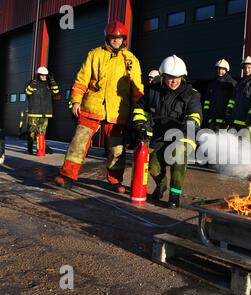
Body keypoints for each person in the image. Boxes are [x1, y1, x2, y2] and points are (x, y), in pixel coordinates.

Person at [54, 20, 144, 193]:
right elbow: (81, 79)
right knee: (78, 142)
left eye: (119, 38)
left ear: (124, 38)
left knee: (116, 148)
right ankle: (67, 176)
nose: (116, 41)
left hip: (118, 110)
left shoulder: (131, 60)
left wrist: (138, 111)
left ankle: (115, 181)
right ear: (107, 38)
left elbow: (137, 89)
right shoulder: (94, 54)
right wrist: (76, 101)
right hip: (92, 106)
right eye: (113, 38)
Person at [132, 55, 202, 208]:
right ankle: (161, 184)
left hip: (183, 136)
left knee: (178, 155)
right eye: (170, 77)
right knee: (152, 166)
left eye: (177, 77)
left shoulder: (192, 94)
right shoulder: (154, 91)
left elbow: (196, 115)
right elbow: (139, 108)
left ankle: (174, 196)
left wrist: (190, 123)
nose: (174, 81)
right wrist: (140, 123)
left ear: (183, 77)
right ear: (163, 76)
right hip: (160, 136)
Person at [25, 66, 60, 155]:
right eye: (42, 75)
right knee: (32, 132)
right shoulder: (31, 83)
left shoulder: (48, 84)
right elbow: (28, 92)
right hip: (34, 112)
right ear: (38, 75)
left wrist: (52, 81)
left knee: (42, 132)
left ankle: (40, 149)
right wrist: (33, 84)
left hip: (46, 113)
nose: (44, 77)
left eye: (45, 75)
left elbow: (56, 92)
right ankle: (30, 150)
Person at [226, 56, 251, 131]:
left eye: (249, 67)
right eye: (245, 68)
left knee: (246, 142)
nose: (247, 70)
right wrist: (229, 111)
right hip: (236, 119)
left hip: (247, 121)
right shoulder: (240, 82)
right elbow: (233, 99)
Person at [203, 59, 236, 131]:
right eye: (218, 69)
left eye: (222, 69)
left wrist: (229, 116)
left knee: (221, 141)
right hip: (212, 119)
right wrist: (206, 113)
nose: (220, 71)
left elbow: (233, 101)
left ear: (226, 70)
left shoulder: (232, 84)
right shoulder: (212, 84)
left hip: (224, 120)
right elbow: (207, 100)